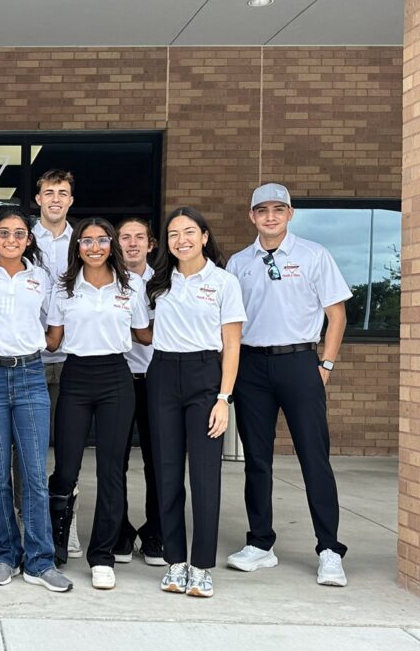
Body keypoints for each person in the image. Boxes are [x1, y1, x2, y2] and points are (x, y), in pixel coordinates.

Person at [226, 183, 351, 586]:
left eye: (278, 209)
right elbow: (229, 321)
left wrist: (325, 365)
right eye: (262, 210)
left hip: (300, 362)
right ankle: (260, 543)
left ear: (290, 213)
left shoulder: (314, 255)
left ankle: (329, 549)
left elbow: (337, 315)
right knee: (257, 460)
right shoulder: (238, 263)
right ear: (252, 216)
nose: (270, 217)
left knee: (314, 456)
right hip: (251, 367)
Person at [0, 209, 73, 592]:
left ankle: (40, 560)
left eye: (19, 234)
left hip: (30, 376)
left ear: (29, 240)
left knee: (32, 473)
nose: (11, 239)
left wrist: (38, 345)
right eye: (4, 233)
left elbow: (54, 324)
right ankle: (6, 554)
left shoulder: (42, 278)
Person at [146, 207, 246, 598]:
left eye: (189, 232)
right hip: (163, 374)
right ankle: (175, 561)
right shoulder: (157, 283)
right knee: (167, 473)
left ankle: (201, 565)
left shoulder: (224, 282)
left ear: (204, 236)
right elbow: (143, 331)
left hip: (206, 376)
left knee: (205, 476)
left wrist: (224, 398)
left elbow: (232, 344)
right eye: (173, 234)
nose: (181, 240)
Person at [46, 219, 151, 590]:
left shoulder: (132, 285)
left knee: (110, 470)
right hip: (75, 377)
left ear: (111, 245)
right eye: (86, 241)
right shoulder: (63, 289)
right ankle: (55, 546)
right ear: (77, 246)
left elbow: (144, 334)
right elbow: (53, 342)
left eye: (101, 240)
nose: (94, 246)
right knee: (66, 467)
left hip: (115, 379)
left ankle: (102, 555)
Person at [31, 169, 82, 558]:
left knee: (68, 449)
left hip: (71, 358)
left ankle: (68, 522)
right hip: (29, 357)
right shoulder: (20, 236)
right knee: (28, 449)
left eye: (62, 193)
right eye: (49, 192)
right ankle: (26, 518)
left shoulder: (84, 240)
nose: (55, 199)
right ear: (38, 199)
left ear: (70, 200)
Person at [114, 217, 165, 566]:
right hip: (117, 378)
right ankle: (118, 531)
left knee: (158, 460)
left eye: (139, 238)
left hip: (156, 378)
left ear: (151, 245)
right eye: (125, 238)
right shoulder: (106, 281)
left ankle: (156, 534)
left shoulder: (166, 283)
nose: (132, 243)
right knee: (115, 461)